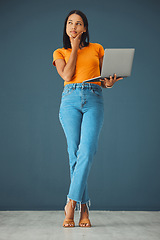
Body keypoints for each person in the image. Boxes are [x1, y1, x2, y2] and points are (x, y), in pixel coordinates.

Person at [52, 10, 123, 228]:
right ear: (66, 28)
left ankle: (70, 203)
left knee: (87, 150)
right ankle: (84, 208)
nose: (74, 26)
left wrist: (109, 83)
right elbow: (67, 75)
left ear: (85, 28)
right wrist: (74, 48)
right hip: (70, 100)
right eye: (70, 23)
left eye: (78, 23)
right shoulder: (60, 52)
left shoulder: (97, 48)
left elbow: (103, 79)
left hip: (93, 99)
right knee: (74, 152)